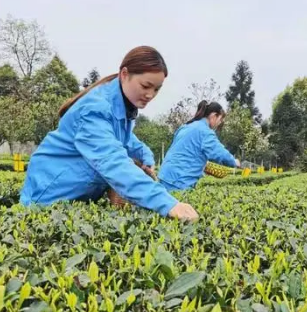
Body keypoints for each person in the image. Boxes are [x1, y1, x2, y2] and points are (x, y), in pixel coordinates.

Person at [20, 46, 198, 221]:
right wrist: (168, 203)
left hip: (74, 199)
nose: (150, 95)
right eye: (146, 86)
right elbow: (112, 161)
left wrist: (145, 156)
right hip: (48, 196)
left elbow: (126, 140)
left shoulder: (122, 106)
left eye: (156, 89)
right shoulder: (95, 109)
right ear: (124, 75)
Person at [158, 101, 241, 191]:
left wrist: (202, 164)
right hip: (179, 180)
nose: (220, 123)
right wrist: (234, 161)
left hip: (164, 175)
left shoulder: (186, 126)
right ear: (213, 116)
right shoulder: (205, 131)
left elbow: (185, 151)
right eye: (220, 119)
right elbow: (218, 152)